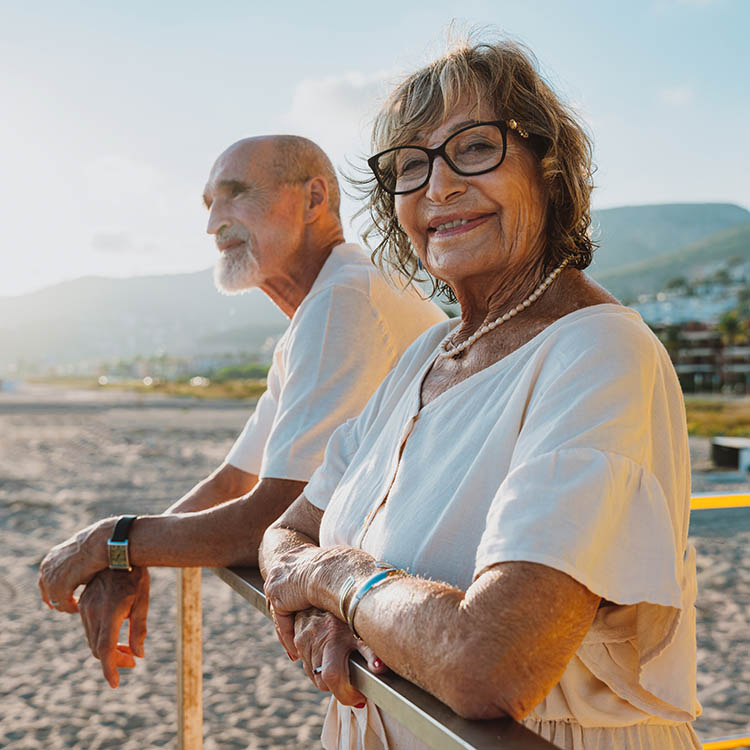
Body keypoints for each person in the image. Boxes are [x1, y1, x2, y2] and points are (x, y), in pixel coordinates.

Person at [260, 40, 701, 750]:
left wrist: (334, 578)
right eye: (410, 165)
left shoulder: (597, 352)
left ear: (549, 170)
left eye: (474, 148)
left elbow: (489, 664)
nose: (438, 187)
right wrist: (323, 605)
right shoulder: (424, 357)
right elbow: (287, 532)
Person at [38, 135, 446, 688]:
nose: (213, 224)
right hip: (400, 620)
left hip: (423, 624)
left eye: (235, 195)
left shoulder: (341, 301)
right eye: (209, 205)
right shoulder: (320, 309)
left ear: (313, 199)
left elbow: (266, 516)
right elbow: (233, 480)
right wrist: (126, 556)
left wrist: (110, 540)